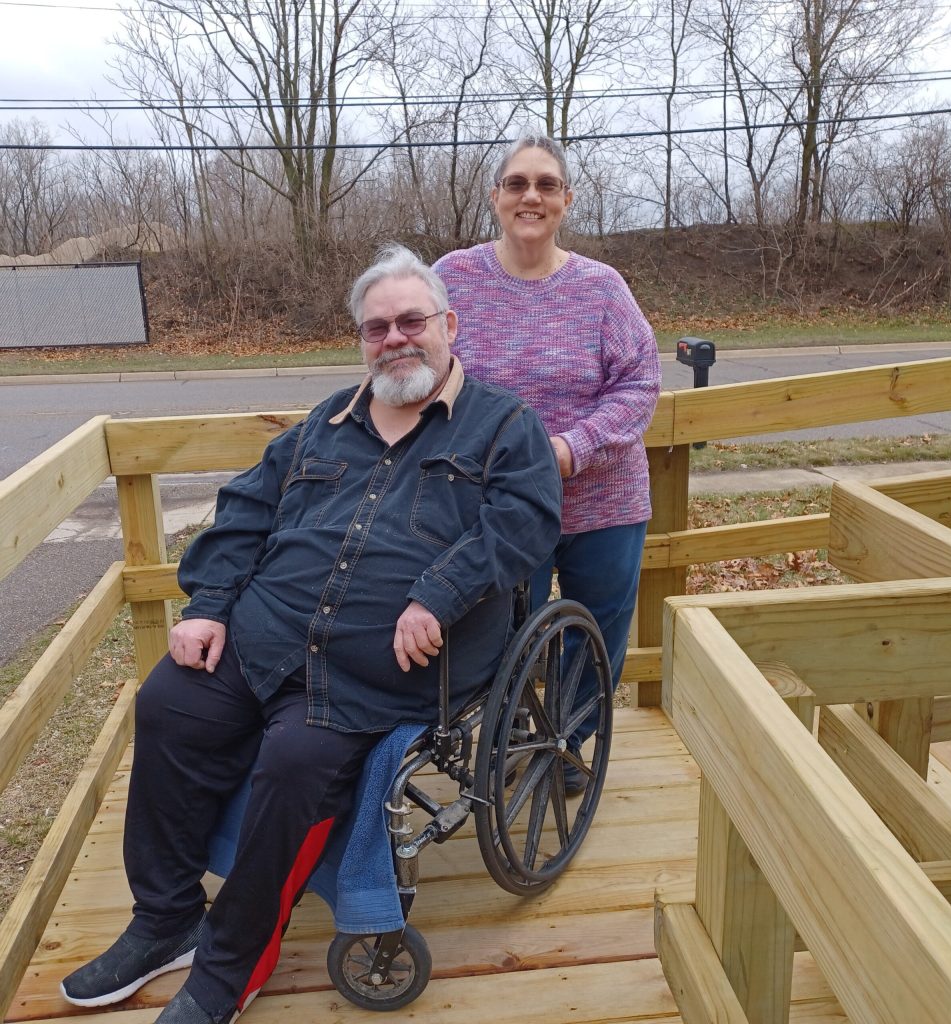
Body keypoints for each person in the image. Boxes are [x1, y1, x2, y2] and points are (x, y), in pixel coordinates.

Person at [59, 244, 562, 1024]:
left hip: (377, 670)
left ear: (449, 326)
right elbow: (247, 509)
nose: (394, 338)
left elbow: (523, 525)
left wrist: (438, 594)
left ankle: (227, 971)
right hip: (264, 638)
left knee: (295, 764)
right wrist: (207, 605)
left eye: (411, 321)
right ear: (361, 341)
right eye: (376, 328)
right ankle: (166, 919)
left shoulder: (506, 427)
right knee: (167, 704)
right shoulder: (325, 423)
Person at [433, 133, 661, 795]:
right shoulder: (453, 278)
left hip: (603, 502)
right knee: (499, 634)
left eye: (545, 185)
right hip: (501, 506)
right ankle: (514, 738)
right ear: (496, 197)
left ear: (565, 200)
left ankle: (566, 747)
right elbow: (426, 371)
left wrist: (572, 448)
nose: (530, 196)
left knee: (596, 633)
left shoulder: (601, 288)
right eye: (517, 183)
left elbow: (640, 385)